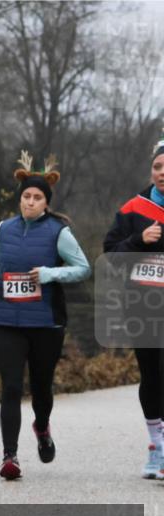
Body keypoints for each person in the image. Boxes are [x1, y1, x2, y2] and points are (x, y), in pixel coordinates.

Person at [0, 151, 90, 480]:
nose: (30, 202)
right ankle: (9, 457)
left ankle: (42, 427)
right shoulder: (4, 228)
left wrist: (50, 274)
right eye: (26, 196)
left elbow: (82, 268)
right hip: (8, 320)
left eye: (37, 197)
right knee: (11, 387)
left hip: (45, 323)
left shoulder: (59, 232)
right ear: (20, 199)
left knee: (41, 388)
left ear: (46, 202)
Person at [103, 131, 164, 480]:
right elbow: (111, 255)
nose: (162, 172)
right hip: (142, 305)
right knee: (151, 374)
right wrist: (139, 239)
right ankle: (156, 445)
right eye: (157, 166)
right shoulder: (133, 210)